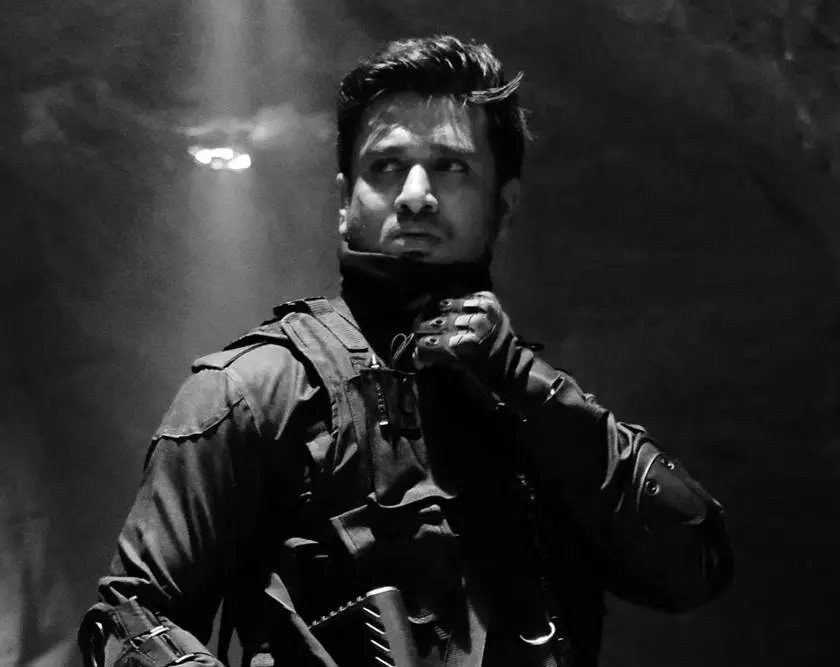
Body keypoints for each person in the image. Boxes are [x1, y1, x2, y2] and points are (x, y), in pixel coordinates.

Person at [78, 35, 734, 667]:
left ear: (504, 205)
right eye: (387, 166)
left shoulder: (535, 406)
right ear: (345, 201)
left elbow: (695, 564)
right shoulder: (255, 391)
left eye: (451, 166)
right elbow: (131, 620)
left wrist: (523, 384)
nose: (416, 195)